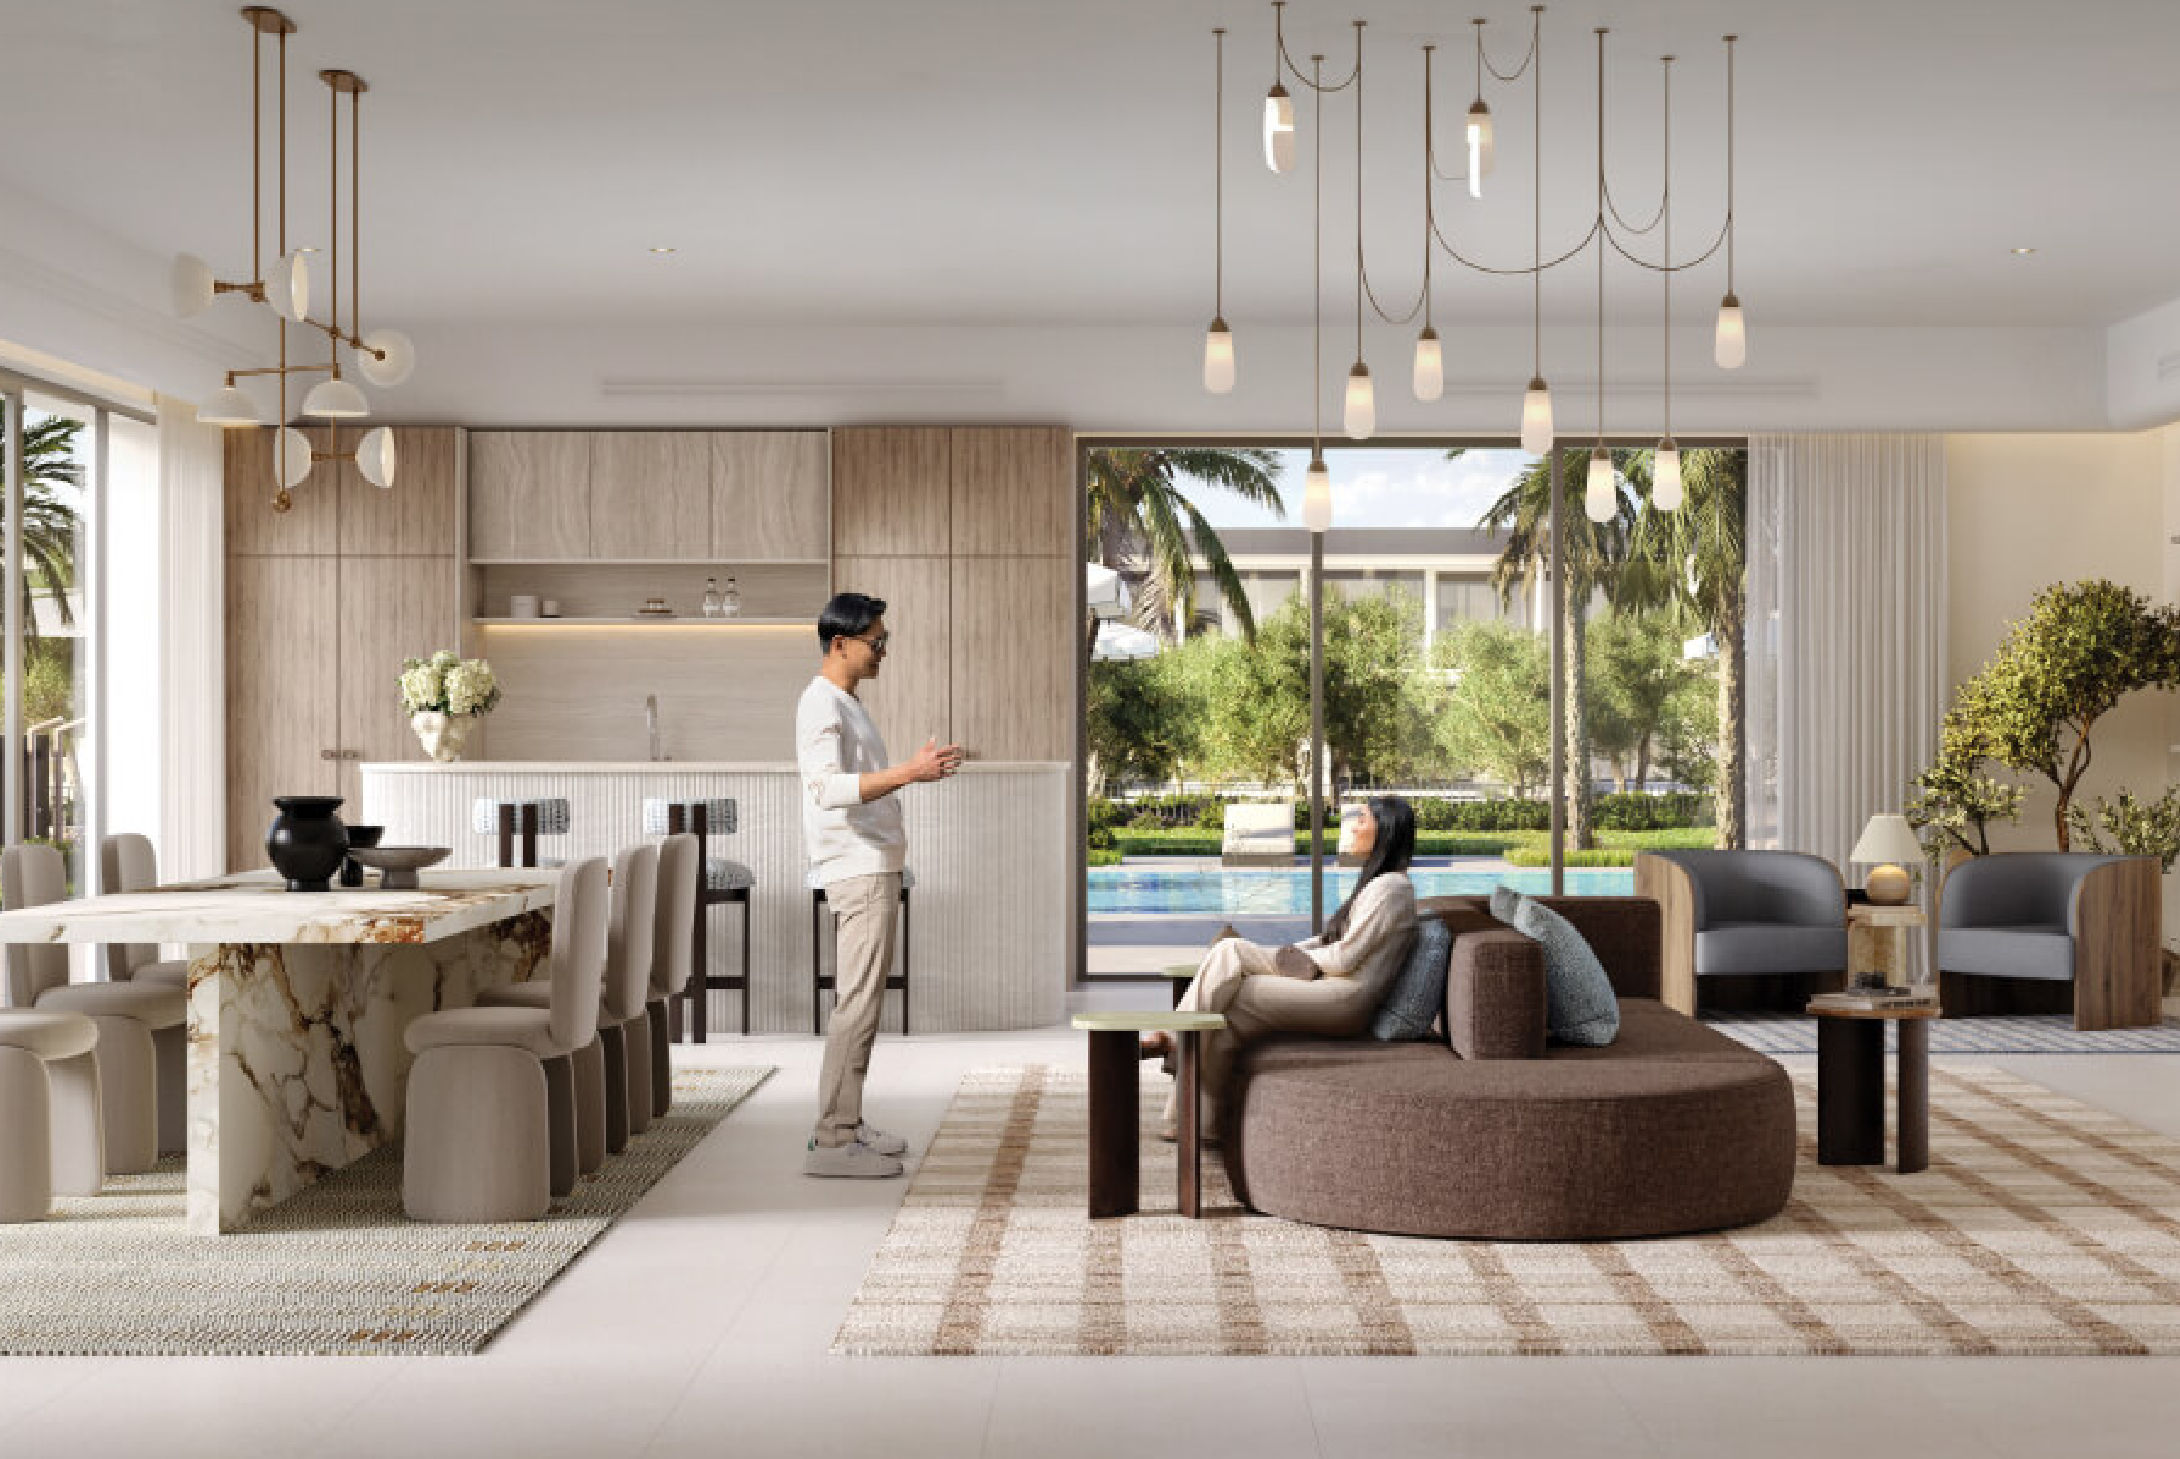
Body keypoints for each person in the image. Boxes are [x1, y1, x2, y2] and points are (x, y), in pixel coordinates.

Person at [796, 591, 962, 1177]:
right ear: (840, 643)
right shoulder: (821, 706)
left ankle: (847, 1122)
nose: (884, 651)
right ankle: (834, 1140)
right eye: (877, 641)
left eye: (885, 641)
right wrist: (911, 773)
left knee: (862, 1002)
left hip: (874, 865)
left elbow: (862, 781)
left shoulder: (846, 703)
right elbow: (829, 788)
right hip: (858, 868)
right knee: (857, 1005)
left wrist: (911, 771)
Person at [1145, 795, 1419, 1140]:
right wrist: (1283, 953)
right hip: (1334, 988)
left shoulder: (1392, 889)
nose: (1352, 826)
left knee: (1230, 952)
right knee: (1228, 1015)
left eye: (1361, 820)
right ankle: (1195, 1122)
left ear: (1385, 831)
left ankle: (1170, 1040)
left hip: (1345, 999)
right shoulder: (1379, 885)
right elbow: (1325, 942)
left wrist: (1283, 961)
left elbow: (1345, 958)